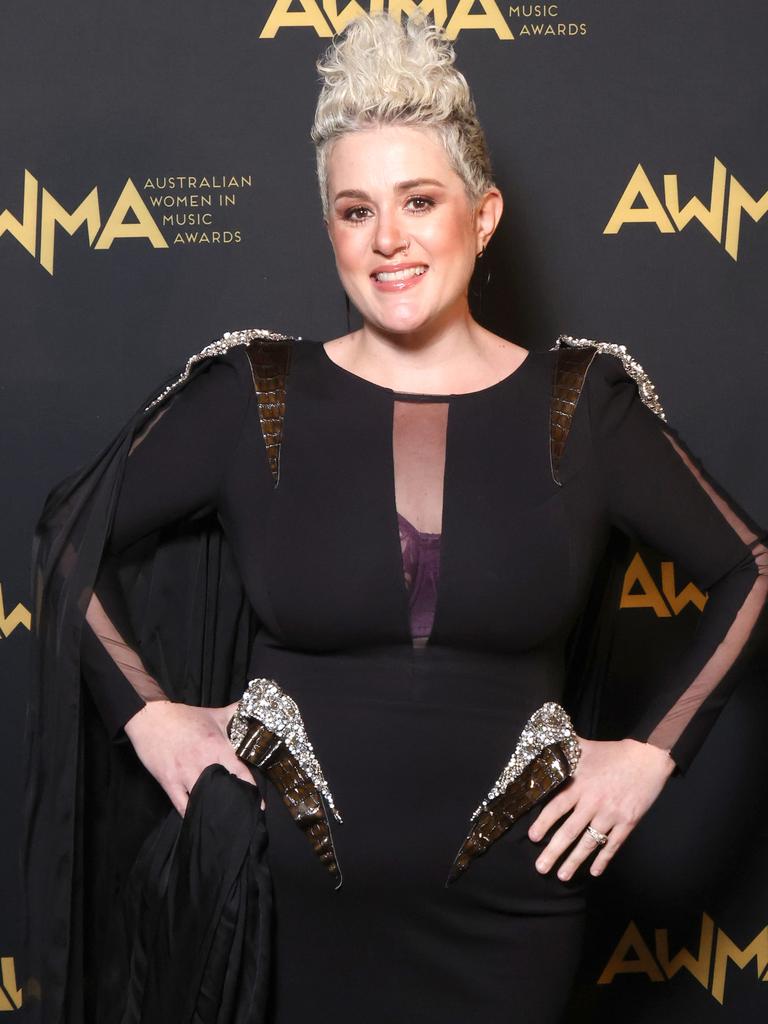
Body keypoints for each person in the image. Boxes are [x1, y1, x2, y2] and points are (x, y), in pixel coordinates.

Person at [21, 12, 768, 1024]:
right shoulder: (255, 394)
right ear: (327, 225)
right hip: (281, 912)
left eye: (420, 201)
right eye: (354, 210)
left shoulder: (581, 405)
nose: (388, 240)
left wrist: (648, 755)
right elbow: (70, 532)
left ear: (485, 213)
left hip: (512, 917)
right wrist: (147, 717)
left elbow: (751, 567)